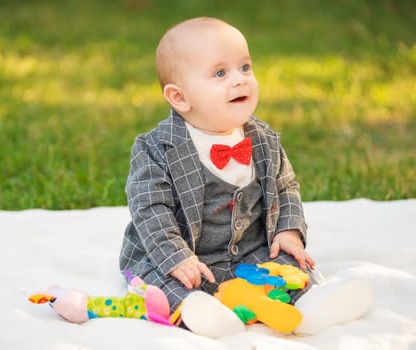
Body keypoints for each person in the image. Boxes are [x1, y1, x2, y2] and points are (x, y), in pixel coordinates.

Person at [119, 17, 372, 337]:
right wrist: (176, 256)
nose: (239, 80)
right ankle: (197, 310)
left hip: (250, 250)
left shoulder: (263, 138)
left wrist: (288, 231)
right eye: (220, 73)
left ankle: (309, 307)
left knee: (288, 264)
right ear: (180, 97)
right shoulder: (155, 149)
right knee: (159, 279)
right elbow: (150, 209)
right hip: (184, 254)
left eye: (245, 67)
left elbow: (285, 187)